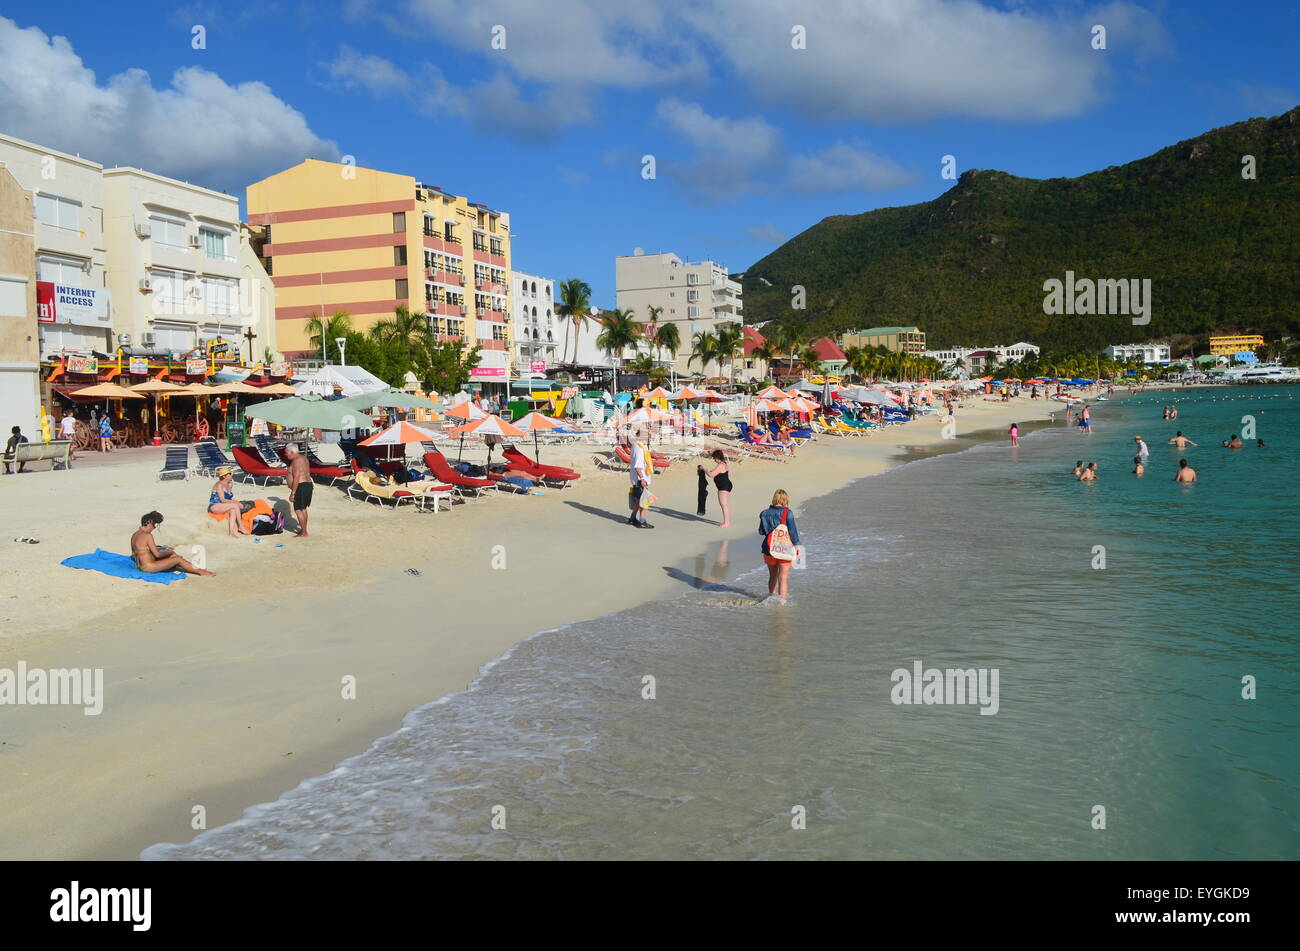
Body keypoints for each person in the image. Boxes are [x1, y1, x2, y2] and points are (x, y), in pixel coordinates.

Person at [130, 511, 213, 576]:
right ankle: (201, 572)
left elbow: (136, 553)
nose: (154, 528)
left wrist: (159, 549)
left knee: (170, 555)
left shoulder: (135, 535)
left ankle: (190, 567)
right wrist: (169, 551)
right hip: (149, 567)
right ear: (149, 522)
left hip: (140, 567)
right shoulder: (147, 535)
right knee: (178, 559)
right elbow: (157, 555)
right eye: (154, 525)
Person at [759, 490, 801, 604]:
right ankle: (782, 603)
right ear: (785, 500)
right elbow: (793, 532)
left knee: (772, 576)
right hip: (784, 549)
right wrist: (797, 547)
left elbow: (761, 531)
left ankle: (770, 598)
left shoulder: (764, 513)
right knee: (783, 578)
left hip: (768, 548)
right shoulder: (788, 513)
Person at [207, 467, 249, 538]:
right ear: (224, 476)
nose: (231, 475)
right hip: (215, 505)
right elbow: (222, 500)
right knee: (235, 506)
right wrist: (235, 502)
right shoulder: (219, 485)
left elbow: (228, 498)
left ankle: (231, 532)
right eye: (229, 474)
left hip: (223, 505)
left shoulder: (230, 484)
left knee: (233, 510)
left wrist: (235, 502)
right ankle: (241, 527)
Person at [284, 443, 313, 537]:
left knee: (298, 510)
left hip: (301, 486)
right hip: (307, 484)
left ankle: (304, 532)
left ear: (292, 452)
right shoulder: (304, 458)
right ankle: (304, 530)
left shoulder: (297, 460)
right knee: (303, 509)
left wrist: (293, 493)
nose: (286, 455)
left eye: (286, 453)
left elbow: (296, 477)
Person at [699, 450, 732, 528]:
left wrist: (704, 469)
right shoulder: (723, 463)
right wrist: (708, 471)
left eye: (714, 458)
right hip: (726, 485)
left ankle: (726, 523)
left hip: (723, 486)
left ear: (717, 457)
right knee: (724, 505)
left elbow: (711, 475)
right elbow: (717, 473)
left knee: (724, 505)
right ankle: (726, 522)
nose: (714, 460)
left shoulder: (721, 465)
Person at [627, 438, 653, 529]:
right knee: (644, 500)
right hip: (640, 479)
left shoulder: (636, 445)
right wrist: (642, 479)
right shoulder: (640, 448)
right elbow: (637, 466)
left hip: (636, 478)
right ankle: (642, 521)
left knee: (638, 500)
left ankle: (632, 518)